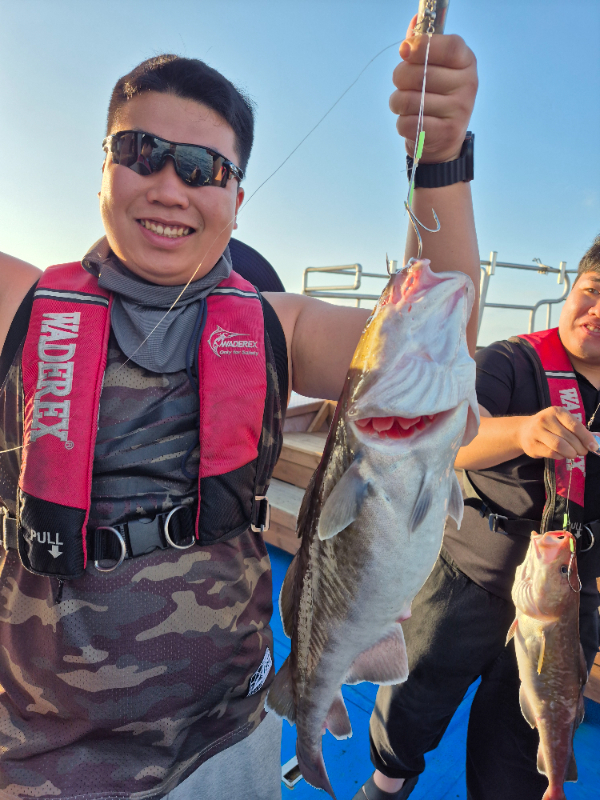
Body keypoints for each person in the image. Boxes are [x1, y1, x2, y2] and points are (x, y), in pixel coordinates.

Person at [0, 17, 479, 800]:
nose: (168, 187)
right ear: (103, 168)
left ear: (237, 196)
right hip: (46, 759)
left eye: (202, 168)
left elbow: (436, 338)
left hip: (228, 738)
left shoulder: (275, 325)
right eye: (139, 152)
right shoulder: (20, 301)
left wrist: (442, 156)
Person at [356, 238, 600, 800]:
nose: (597, 311)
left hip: (567, 599)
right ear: (572, 289)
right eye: (592, 291)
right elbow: (453, 442)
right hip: (466, 577)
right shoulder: (510, 360)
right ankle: (385, 787)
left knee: (523, 744)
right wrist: (522, 431)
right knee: (409, 709)